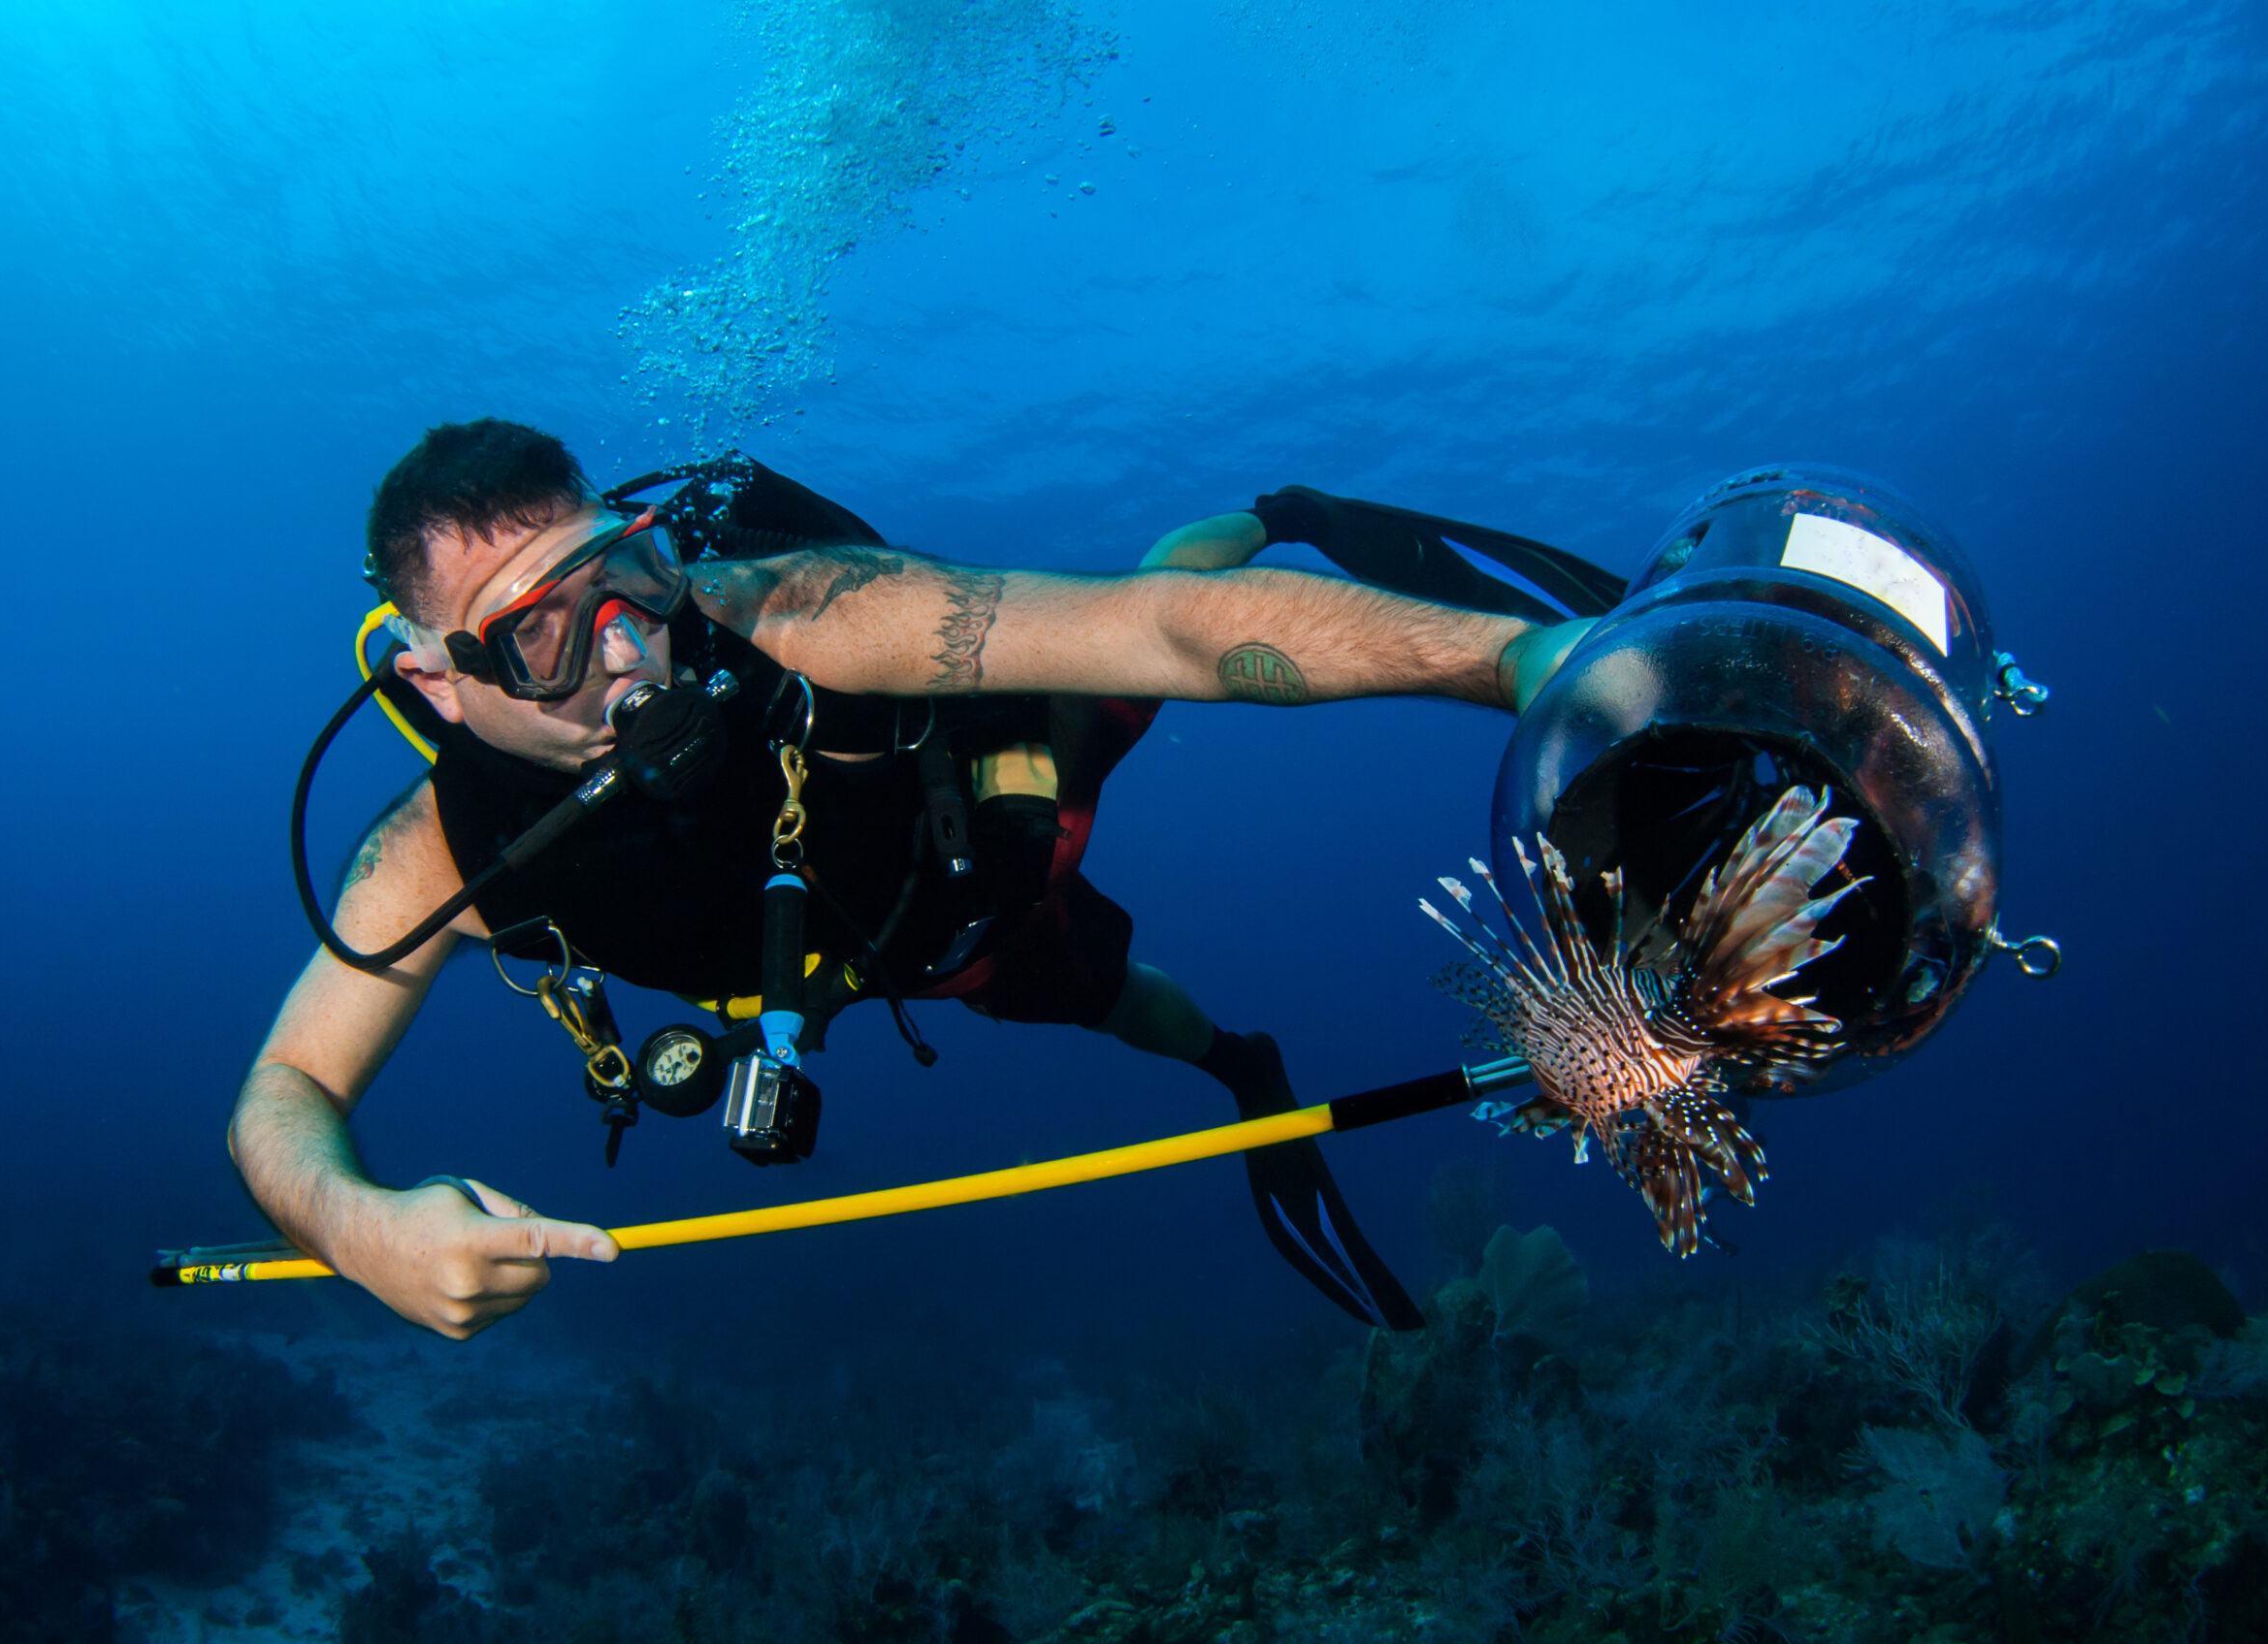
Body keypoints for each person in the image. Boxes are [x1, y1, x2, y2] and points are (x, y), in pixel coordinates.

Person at [231, 420, 1591, 1339]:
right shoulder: (437, 853)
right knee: (1103, 992)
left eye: (627, 576)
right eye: (541, 637)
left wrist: (1525, 664)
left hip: (1009, 794)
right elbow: (286, 1090)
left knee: (1153, 600)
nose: (631, 650)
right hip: (938, 952)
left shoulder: (794, 611)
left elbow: (1166, 631)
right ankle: (1242, 1064)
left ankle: (1274, 511)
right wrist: (359, 1226)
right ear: (439, 681)